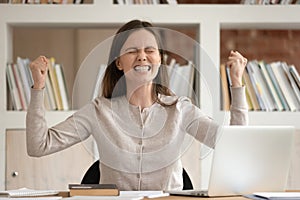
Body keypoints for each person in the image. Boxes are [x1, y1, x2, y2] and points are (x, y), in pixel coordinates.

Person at [26, 19, 248, 191]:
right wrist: (38, 88)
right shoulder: (99, 111)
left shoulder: (181, 109)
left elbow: (237, 146)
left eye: (149, 50)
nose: (142, 57)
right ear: (119, 62)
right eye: (132, 51)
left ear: (159, 59)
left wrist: (236, 84)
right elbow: (39, 145)